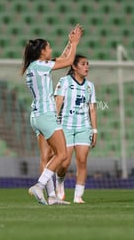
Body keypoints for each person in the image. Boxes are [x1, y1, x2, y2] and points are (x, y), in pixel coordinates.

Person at [22, 24, 84, 205]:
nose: (50, 50)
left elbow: (62, 58)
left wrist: (69, 42)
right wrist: (75, 43)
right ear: (42, 51)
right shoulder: (41, 66)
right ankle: (39, 186)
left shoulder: (34, 67)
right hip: (46, 115)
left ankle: (51, 197)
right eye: (48, 47)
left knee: (46, 158)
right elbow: (69, 60)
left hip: (36, 116)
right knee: (62, 154)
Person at [54, 54, 97, 203]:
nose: (87, 67)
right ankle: (59, 181)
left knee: (82, 160)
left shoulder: (90, 86)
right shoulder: (64, 82)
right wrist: (53, 126)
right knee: (64, 163)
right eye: (83, 64)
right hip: (65, 127)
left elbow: (92, 109)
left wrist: (94, 130)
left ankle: (78, 196)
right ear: (74, 66)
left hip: (84, 128)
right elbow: (58, 103)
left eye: (88, 64)